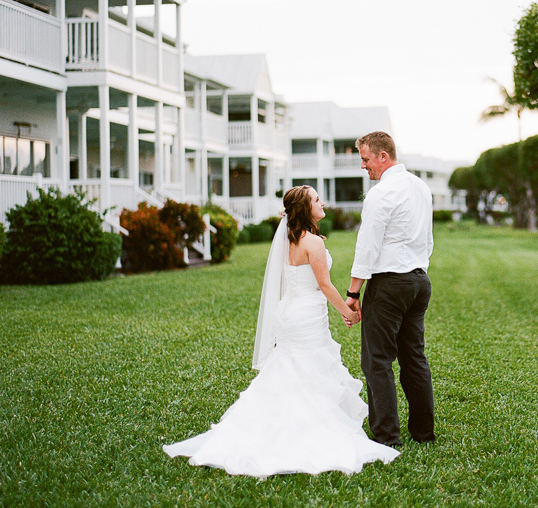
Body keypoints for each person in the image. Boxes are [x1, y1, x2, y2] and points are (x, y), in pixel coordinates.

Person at [163, 186, 399, 477]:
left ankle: (269, 426)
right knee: (309, 371)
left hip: (288, 312)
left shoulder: (288, 240)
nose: (322, 202)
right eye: (316, 199)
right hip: (307, 316)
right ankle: (307, 432)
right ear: (305, 208)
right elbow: (324, 285)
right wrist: (348, 311)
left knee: (288, 369)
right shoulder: (312, 242)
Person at [345, 132, 436, 449]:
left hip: (389, 283)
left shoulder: (381, 193)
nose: (363, 166)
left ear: (384, 156)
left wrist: (354, 293)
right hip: (419, 281)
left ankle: (386, 436)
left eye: (366, 159)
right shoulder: (420, 187)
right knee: (414, 358)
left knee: (377, 361)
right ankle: (424, 433)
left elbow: (367, 246)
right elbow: (428, 240)